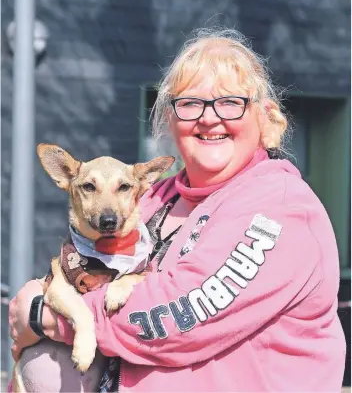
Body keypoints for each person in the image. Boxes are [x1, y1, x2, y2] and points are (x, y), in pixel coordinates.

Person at [9, 27, 346, 392]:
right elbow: (82, 272)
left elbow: (179, 315)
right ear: (170, 118)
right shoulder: (152, 197)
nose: (209, 118)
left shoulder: (280, 208)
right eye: (189, 103)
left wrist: (46, 317)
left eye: (231, 102)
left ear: (264, 116)